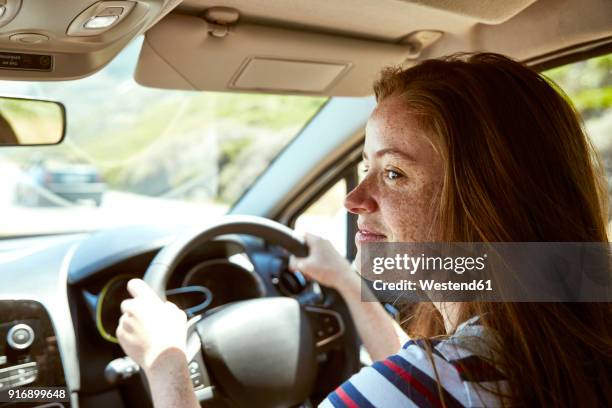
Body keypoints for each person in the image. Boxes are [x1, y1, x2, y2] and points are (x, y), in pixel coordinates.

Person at [116, 53, 612, 407]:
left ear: (488, 206)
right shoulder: (567, 345)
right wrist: (351, 285)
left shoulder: (429, 386)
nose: (355, 200)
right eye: (364, 169)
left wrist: (165, 361)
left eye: (394, 173)